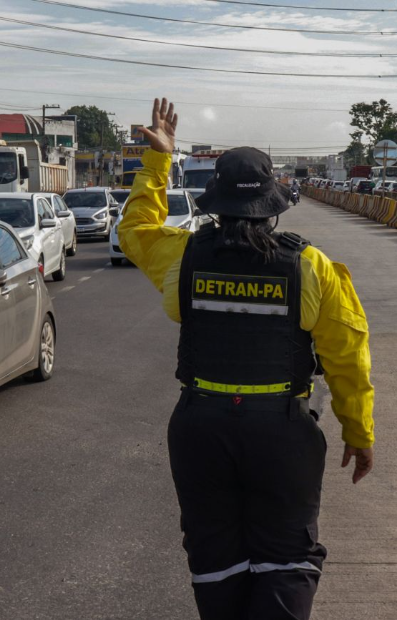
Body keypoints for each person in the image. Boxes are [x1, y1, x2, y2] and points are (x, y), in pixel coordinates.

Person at [118, 98, 374, 620]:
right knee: (286, 560)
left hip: (200, 427)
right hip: (281, 432)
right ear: (274, 203)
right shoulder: (311, 265)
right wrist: (358, 431)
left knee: (215, 558)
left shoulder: (182, 254)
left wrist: (157, 163)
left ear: (216, 202)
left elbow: (136, 229)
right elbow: (347, 356)